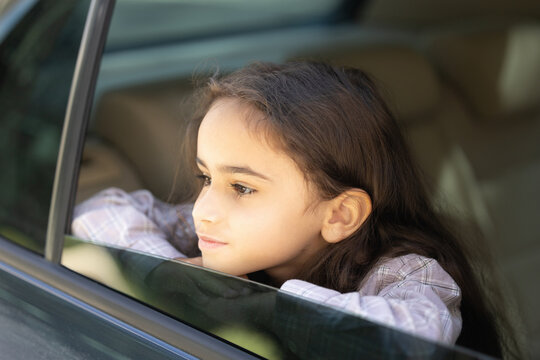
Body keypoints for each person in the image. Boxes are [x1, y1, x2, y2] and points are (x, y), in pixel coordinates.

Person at [72, 61, 510, 358]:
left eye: (241, 187)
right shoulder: (214, 235)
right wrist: (172, 272)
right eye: (206, 178)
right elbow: (101, 211)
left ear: (338, 216)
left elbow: (416, 337)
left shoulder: (405, 274)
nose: (203, 209)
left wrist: (263, 307)